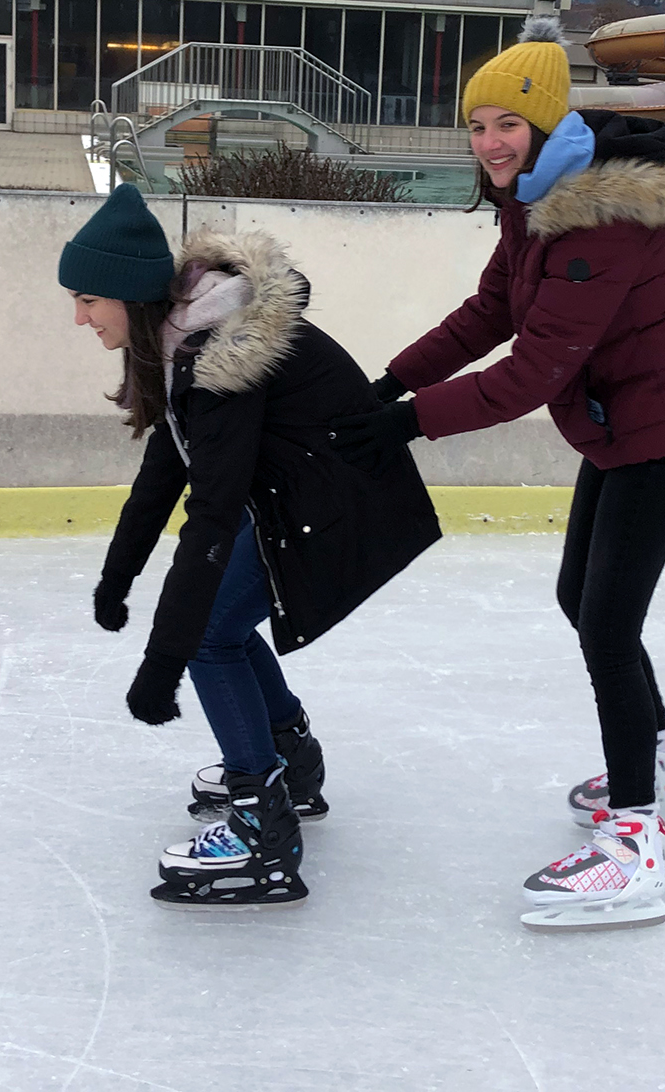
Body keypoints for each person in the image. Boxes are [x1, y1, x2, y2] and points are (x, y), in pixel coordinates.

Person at [331, 18, 665, 932]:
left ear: (546, 126)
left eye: (507, 124)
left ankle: (633, 844)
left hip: (663, 438)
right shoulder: (535, 202)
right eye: (477, 126)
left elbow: (533, 373)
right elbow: (490, 312)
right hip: (622, 434)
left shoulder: (600, 223)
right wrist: (390, 382)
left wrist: (405, 425)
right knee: (580, 600)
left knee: (606, 624)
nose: (490, 143)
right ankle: (661, 768)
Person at [60, 185, 440, 909]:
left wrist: (161, 665)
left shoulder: (218, 356)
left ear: (128, 295)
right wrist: (118, 578)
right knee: (222, 625)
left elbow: (211, 514)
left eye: (87, 300)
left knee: (208, 633)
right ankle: (289, 764)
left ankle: (262, 827)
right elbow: (167, 467)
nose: (79, 318)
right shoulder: (183, 340)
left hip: (338, 506)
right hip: (313, 495)